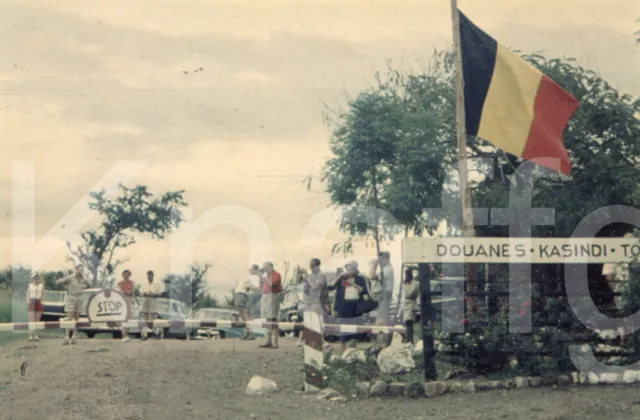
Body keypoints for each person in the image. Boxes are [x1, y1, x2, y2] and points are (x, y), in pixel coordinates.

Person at [328, 261, 370, 353]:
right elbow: (330, 287)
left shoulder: (360, 279)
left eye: (351, 269)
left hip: (355, 308)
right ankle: (344, 351)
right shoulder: (342, 279)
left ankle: (353, 351)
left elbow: (364, 291)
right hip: (343, 307)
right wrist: (339, 277)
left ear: (355, 270)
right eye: (347, 268)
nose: (348, 270)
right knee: (343, 330)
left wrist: (354, 285)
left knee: (354, 330)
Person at [56, 265, 91, 345]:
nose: (80, 271)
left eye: (82, 270)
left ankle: (74, 337)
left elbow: (89, 285)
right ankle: (67, 337)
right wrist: (66, 286)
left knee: (77, 319)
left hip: (80, 298)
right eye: (79, 270)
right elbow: (59, 282)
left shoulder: (84, 279)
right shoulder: (71, 278)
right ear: (76, 270)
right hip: (71, 297)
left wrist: (84, 285)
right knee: (69, 318)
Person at [298, 258, 328, 347]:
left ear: (318, 265)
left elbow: (315, 286)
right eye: (310, 265)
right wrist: (300, 274)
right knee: (307, 322)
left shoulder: (321, 275)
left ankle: (321, 340)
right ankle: (302, 339)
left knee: (318, 322)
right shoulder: (310, 275)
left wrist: (307, 277)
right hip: (307, 301)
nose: (311, 267)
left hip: (316, 301)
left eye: (313, 265)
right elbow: (298, 282)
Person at [370, 251, 395, 345]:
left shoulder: (387, 270)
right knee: (381, 321)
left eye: (380, 259)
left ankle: (382, 343)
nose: (379, 261)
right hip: (381, 297)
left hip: (384, 297)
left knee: (381, 322)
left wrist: (373, 266)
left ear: (385, 259)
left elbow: (372, 276)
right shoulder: (385, 269)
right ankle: (381, 342)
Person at [259, 261, 282, 349]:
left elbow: (271, 284)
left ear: (271, 267)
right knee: (268, 318)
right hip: (265, 296)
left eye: (266, 267)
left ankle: (275, 341)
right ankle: (268, 341)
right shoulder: (267, 276)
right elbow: (261, 287)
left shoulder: (276, 274)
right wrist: (261, 280)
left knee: (273, 318)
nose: (264, 269)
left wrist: (263, 278)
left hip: (272, 296)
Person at [235, 265, 261, 340]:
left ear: (256, 270)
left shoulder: (254, 277)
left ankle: (251, 332)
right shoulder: (251, 277)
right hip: (241, 293)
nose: (250, 271)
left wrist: (249, 285)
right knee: (243, 314)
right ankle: (247, 332)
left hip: (242, 294)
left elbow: (255, 288)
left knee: (243, 314)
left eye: (251, 269)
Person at [139, 270, 163, 339]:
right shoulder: (144, 283)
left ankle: (155, 332)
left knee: (151, 319)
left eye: (150, 275)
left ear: (153, 275)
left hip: (153, 302)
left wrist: (154, 294)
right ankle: (147, 334)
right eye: (148, 275)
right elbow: (140, 293)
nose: (149, 276)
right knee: (145, 319)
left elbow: (160, 293)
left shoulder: (157, 284)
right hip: (145, 302)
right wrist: (145, 293)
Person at [117, 269, 135, 342]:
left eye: (128, 274)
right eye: (125, 274)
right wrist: (126, 292)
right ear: (123, 275)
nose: (126, 276)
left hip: (130, 302)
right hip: (122, 302)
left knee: (128, 319)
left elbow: (132, 291)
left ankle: (126, 334)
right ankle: (123, 335)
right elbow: (120, 291)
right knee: (123, 319)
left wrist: (126, 292)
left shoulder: (132, 282)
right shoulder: (120, 283)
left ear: (129, 275)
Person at [402, 268, 419, 344]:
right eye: (406, 274)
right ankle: (408, 339)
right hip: (405, 303)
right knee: (406, 323)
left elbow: (410, 294)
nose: (407, 276)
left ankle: (409, 340)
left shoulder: (415, 283)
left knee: (408, 322)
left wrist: (404, 286)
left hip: (411, 303)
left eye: (408, 274)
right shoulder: (405, 283)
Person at [26, 272, 45, 342]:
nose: (36, 280)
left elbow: (43, 294)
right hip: (31, 302)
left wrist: (42, 301)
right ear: (32, 279)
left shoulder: (41, 286)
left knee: (37, 321)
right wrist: (28, 300)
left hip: (38, 302)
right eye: (34, 278)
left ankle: (36, 335)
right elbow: (27, 294)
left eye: (37, 278)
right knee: (31, 321)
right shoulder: (30, 285)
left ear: (39, 279)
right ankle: (30, 335)